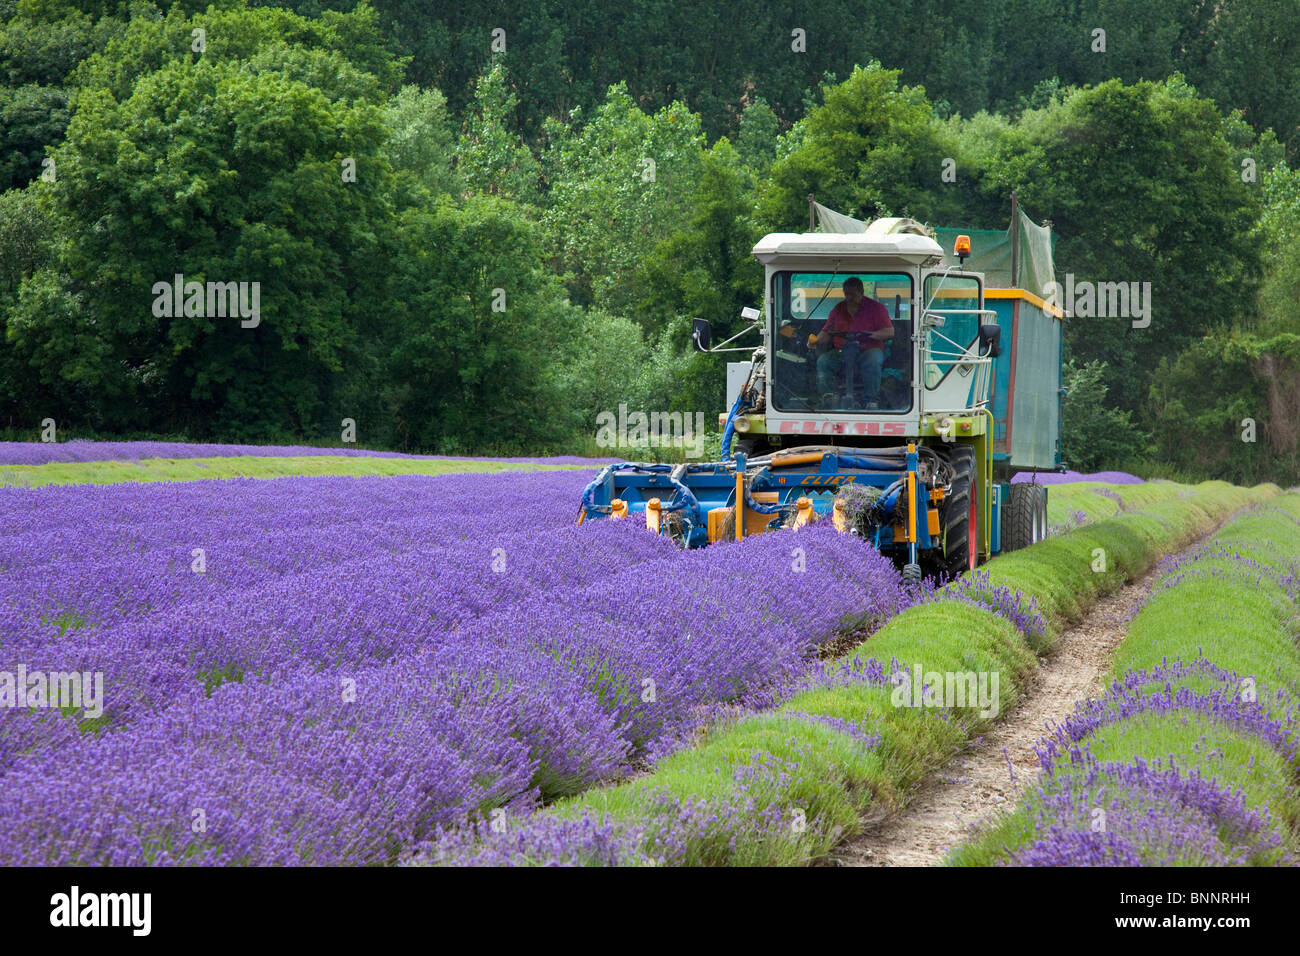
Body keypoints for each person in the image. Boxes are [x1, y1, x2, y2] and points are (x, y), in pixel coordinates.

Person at [815, 277, 894, 407]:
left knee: (874, 360)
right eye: (847, 294)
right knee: (824, 361)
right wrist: (813, 342)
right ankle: (827, 397)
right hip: (842, 351)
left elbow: (890, 332)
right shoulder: (838, 309)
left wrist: (871, 336)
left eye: (853, 294)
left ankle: (871, 401)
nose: (849, 298)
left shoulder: (876, 308)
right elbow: (825, 332)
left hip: (868, 350)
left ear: (861, 292)